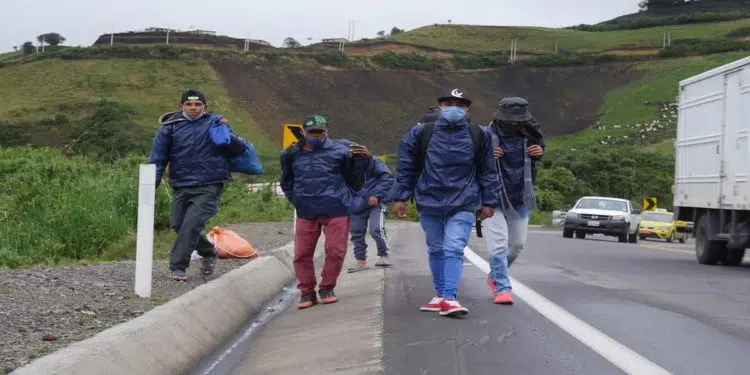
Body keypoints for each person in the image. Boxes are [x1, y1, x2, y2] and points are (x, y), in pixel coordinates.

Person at [391, 88, 501, 317]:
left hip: (464, 200)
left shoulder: (479, 134)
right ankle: (440, 294)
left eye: (459, 104)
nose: (453, 107)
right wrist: (400, 196)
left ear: (467, 109)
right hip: (429, 199)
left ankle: (450, 297)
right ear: (439, 106)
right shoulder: (420, 133)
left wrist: (489, 201)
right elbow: (406, 167)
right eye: (448, 103)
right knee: (436, 248)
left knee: (453, 247)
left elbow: (489, 170)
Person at [148, 89, 244, 282]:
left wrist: (227, 133)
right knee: (178, 224)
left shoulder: (215, 123)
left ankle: (178, 267)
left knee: (191, 224)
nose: (193, 108)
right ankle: (208, 252)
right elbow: (158, 159)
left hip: (209, 184)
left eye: (197, 104)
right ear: (181, 106)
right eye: (188, 104)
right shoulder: (170, 127)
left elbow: (238, 148)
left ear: (204, 107)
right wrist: (151, 188)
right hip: (181, 184)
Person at [280, 114, 371, 309]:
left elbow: (354, 181)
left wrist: (364, 161)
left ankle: (327, 287)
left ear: (327, 132)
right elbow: (286, 181)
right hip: (306, 211)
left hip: (336, 208)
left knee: (336, 251)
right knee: (302, 254)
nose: (317, 136)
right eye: (312, 132)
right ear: (303, 132)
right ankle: (307, 292)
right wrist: (296, 200)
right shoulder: (290, 154)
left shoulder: (342, 151)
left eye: (320, 133)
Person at [482, 97, 545, 305]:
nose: (513, 123)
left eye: (517, 120)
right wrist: (487, 155)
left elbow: (540, 150)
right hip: (493, 197)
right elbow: (472, 160)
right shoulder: (485, 135)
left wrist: (539, 152)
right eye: (510, 120)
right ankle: (502, 287)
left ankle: (495, 274)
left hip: (520, 195)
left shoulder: (532, 133)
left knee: (517, 245)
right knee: (498, 245)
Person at [347, 156, 396, 273]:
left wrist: (376, 194)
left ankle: (384, 256)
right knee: (357, 233)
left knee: (376, 229)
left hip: (376, 202)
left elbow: (388, 178)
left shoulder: (374, 162)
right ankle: (360, 261)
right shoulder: (343, 165)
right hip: (356, 204)